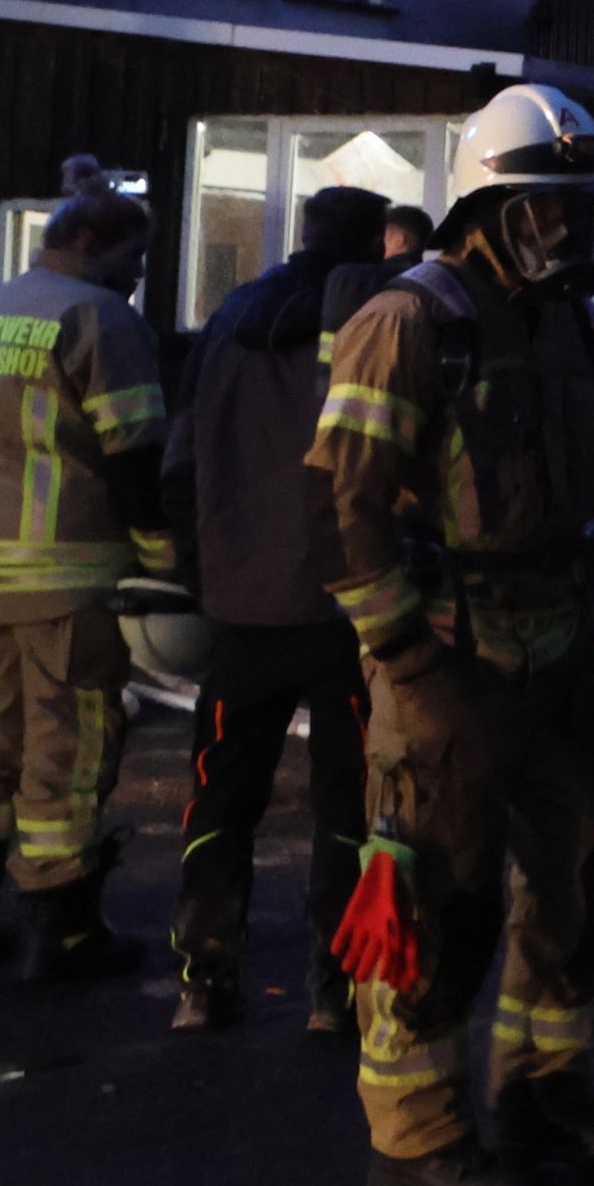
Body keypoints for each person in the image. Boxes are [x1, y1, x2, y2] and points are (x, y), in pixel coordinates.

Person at [311, 85, 594, 1186]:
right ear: (489, 209)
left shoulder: (572, 324)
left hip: (562, 644)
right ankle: (413, 1136)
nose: (568, 231)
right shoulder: (410, 322)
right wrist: (401, 653)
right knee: (442, 907)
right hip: (448, 660)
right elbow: (343, 507)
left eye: (580, 210)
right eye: (548, 210)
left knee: (586, 878)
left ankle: (543, 1092)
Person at [0, 157, 169, 980]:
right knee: (71, 746)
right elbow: (133, 454)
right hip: (73, 571)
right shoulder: (103, 319)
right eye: (132, 259)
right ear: (93, 242)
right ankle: (62, 935)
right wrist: (167, 558)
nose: (137, 280)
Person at [163, 182, 390, 1034]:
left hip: (241, 606)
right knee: (349, 803)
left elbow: (180, 461)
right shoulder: (377, 317)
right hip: (346, 607)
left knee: (220, 797)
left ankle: (201, 977)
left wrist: (202, 572)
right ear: (370, 242)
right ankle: (333, 991)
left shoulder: (229, 320)